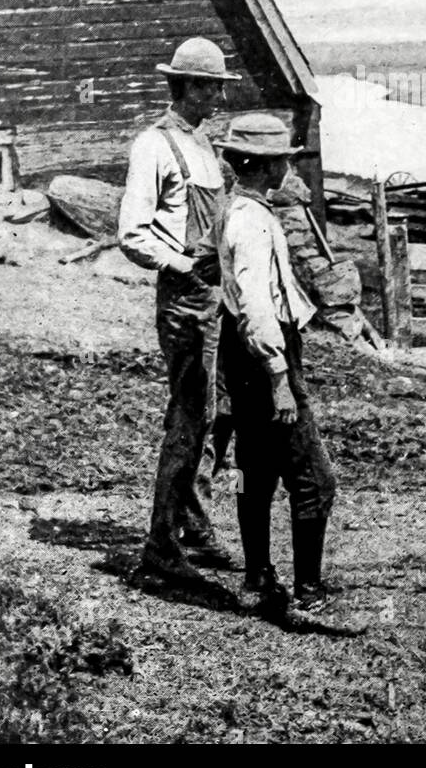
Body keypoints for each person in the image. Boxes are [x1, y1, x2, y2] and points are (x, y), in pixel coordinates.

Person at [212, 112, 344, 625]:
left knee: (255, 469)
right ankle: (308, 594)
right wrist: (280, 378)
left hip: (243, 353)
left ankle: (258, 576)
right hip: (266, 353)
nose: (290, 171)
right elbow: (255, 304)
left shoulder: (240, 209)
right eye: (284, 162)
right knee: (314, 478)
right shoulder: (249, 220)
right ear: (265, 167)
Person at [118, 37, 239, 580]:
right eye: (211, 85)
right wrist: (183, 265)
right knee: (191, 416)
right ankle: (161, 546)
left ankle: (194, 524)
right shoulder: (154, 145)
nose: (217, 93)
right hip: (186, 297)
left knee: (224, 411)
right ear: (186, 87)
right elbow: (132, 234)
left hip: (218, 295)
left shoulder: (204, 145)